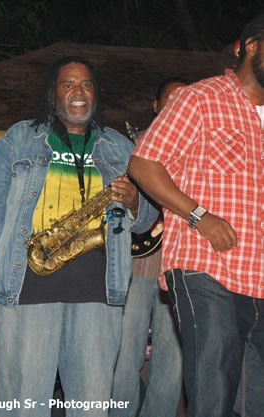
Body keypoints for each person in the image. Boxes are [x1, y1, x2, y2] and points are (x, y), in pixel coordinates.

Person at [0, 56, 157, 417]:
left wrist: (135, 204)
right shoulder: (19, 138)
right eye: (68, 84)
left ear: (96, 95)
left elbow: (147, 221)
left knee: (92, 406)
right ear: (53, 96)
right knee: (24, 407)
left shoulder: (122, 148)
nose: (77, 92)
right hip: (29, 288)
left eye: (85, 85)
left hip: (100, 293)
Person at [128, 15, 264, 417]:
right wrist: (200, 216)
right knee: (213, 395)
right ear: (253, 46)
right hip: (209, 269)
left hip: (260, 276)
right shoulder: (201, 98)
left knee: (253, 403)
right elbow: (144, 163)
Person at [111, 78, 187, 417]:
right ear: (155, 105)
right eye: (169, 99)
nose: (176, 105)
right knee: (125, 352)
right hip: (138, 262)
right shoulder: (133, 146)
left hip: (180, 262)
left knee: (172, 359)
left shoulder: (196, 149)